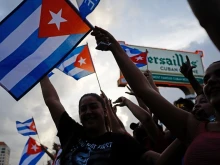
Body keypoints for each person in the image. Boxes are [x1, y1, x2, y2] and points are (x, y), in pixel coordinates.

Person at [91, 26, 220, 164]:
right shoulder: (195, 128)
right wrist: (115, 47)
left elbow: (147, 117)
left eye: (218, 74)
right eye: (206, 80)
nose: (211, 81)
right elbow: (145, 91)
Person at [40, 77, 147, 165]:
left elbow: (155, 159)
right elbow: (52, 100)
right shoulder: (72, 133)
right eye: (83, 109)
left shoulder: (122, 141)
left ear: (105, 111)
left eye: (93, 107)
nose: (88, 112)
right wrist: (40, 69)